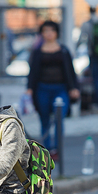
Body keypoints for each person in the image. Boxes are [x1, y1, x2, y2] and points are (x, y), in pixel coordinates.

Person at [26, 20, 80, 156]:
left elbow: (70, 71)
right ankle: (47, 149)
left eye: (52, 30)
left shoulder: (63, 50)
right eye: (46, 31)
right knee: (44, 118)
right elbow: (32, 72)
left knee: (59, 116)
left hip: (60, 88)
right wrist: (29, 88)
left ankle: (57, 148)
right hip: (42, 88)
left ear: (56, 33)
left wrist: (74, 88)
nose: (49, 33)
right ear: (42, 33)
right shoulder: (37, 52)